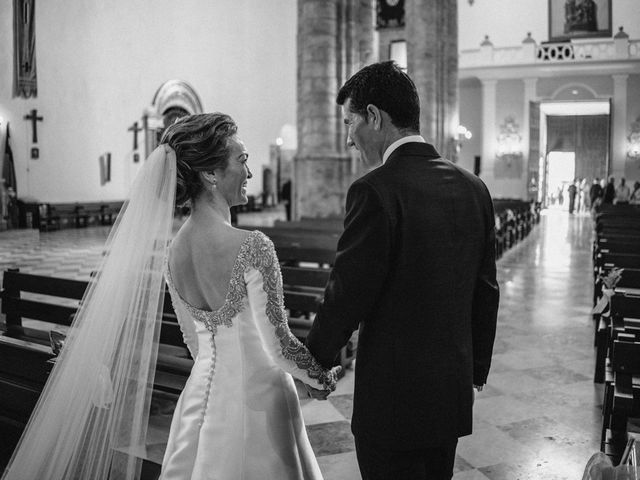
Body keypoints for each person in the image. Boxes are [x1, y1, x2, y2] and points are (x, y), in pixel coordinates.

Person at [2, 113, 339, 480]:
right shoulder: (253, 246)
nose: (249, 173)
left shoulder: (173, 251)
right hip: (258, 403)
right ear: (210, 174)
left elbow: (196, 344)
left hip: (201, 399)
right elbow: (278, 346)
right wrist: (320, 379)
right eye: (242, 160)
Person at [305, 61, 499, 480]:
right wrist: (476, 367)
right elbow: (486, 289)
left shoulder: (374, 190)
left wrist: (313, 362)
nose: (349, 138)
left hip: (392, 400)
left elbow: (347, 293)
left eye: (349, 122)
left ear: (374, 116)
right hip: (449, 392)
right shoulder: (475, 188)